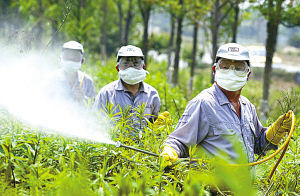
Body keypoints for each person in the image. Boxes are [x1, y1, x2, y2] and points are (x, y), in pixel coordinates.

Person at [161, 43, 295, 166]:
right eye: (225, 67)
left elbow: (257, 146)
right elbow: (179, 141)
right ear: (214, 70)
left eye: (238, 68)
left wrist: (275, 132)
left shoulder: (247, 107)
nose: (231, 72)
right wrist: (170, 151)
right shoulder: (203, 103)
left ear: (248, 74)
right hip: (211, 189)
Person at [93, 45, 161, 124]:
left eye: (136, 63)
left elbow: (154, 125)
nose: (131, 67)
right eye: (126, 64)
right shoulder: (106, 93)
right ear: (117, 68)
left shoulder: (152, 95)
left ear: (143, 66)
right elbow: (96, 122)